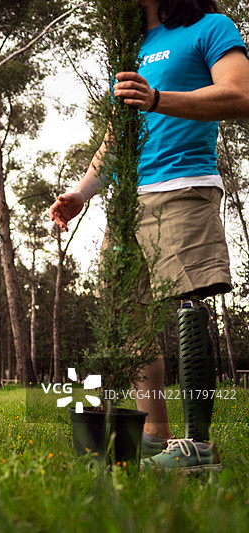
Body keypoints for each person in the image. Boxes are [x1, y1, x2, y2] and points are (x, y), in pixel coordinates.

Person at [50, 0, 249, 471]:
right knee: (128, 318)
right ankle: (156, 436)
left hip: (182, 187)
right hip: (126, 202)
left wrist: (158, 99)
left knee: (190, 301)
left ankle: (198, 444)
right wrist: (82, 192)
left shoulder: (211, 28)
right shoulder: (132, 46)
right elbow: (118, 135)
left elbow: (240, 95)